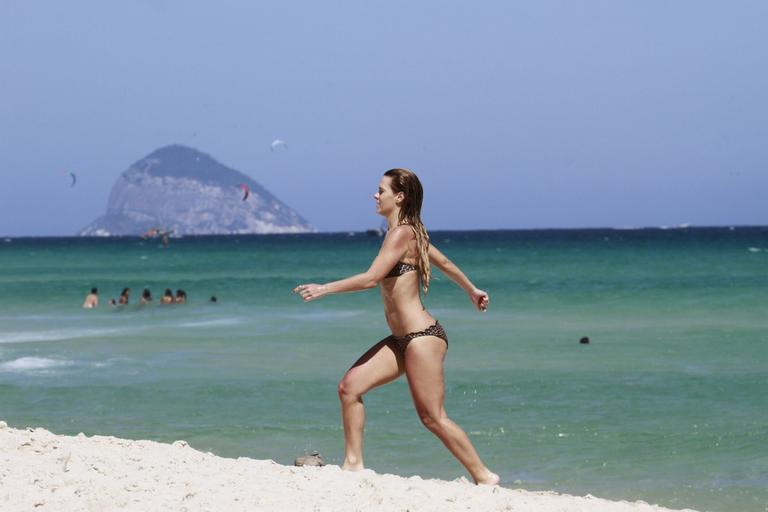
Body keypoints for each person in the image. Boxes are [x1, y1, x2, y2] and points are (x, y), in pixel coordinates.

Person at [293, 168, 499, 485]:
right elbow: (444, 263)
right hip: (401, 340)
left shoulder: (403, 233)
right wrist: (471, 289)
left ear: (399, 197)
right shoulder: (409, 234)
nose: (375, 196)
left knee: (432, 416)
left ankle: (484, 476)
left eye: (381, 191)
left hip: (422, 339)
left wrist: (325, 288)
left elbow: (372, 277)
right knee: (349, 388)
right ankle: (353, 464)